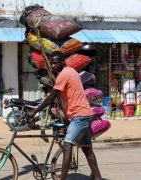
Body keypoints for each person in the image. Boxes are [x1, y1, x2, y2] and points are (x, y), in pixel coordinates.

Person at [26, 51, 102, 180]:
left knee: (67, 146)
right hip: (84, 114)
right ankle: (98, 178)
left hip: (80, 116)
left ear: (63, 61)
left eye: (56, 62)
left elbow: (50, 97)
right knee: (87, 149)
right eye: (52, 63)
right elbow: (64, 98)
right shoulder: (71, 71)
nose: (53, 65)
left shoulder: (64, 74)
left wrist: (34, 111)